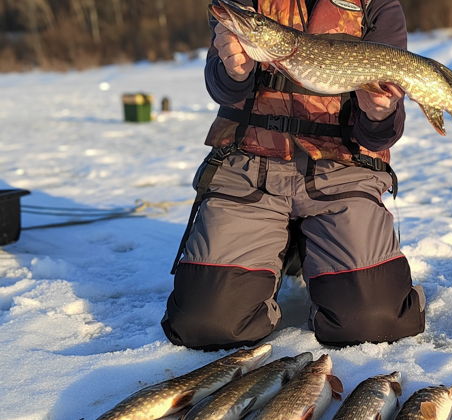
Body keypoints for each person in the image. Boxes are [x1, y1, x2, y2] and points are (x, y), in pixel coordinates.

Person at [161, 0, 425, 351]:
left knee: (373, 320)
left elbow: (379, 135)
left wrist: (379, 113)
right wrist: (232, 72)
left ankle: (309, 244)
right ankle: (281, 247)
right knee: (207, 323)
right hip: (251, 169)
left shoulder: (377, 5)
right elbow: (221, 87)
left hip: (341, 171)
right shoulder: (245, 8)